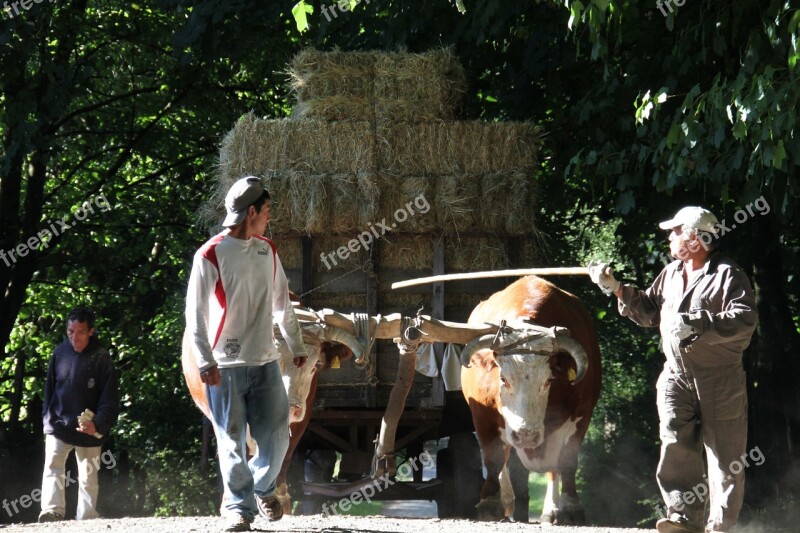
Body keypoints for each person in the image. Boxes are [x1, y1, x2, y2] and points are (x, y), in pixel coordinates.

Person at [588, 206, 757, 533]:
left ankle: (720, 527)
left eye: (677, 231)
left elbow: (746, 321)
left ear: (696, 237)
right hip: (676, 377)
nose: (670, 236)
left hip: (719, 379)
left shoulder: (727, 275)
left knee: (726, 460)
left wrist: (698, 323)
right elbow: (650, 310)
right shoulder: (671, 273)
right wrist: (616, 288)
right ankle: (683, 520)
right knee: (674, 444)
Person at [185, 176, 308, 532]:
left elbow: (283, 303)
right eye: (267, 210)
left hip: (266, 361)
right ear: (251, 211)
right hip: (225, 366)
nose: (269, 217)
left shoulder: (267, 250)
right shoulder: (209, 254)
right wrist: (205, 360)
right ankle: (239, 509)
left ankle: (262, 488)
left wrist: (297, 345)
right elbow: (195, 314)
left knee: (278, 435)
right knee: (232, 441)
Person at [39, 308, 118, 522]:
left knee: (88, 476)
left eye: (80, 332)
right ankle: (52, 511)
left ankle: (86, 518)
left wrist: (98, 425)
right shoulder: (59, 353)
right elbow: (49, 391)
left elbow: (109, 399)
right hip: (58, 423)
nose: (75, 337)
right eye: (70, 331)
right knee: (53, 468)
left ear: (91, 331)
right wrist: (47, 420)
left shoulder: (102, 358)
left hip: (89, 427)